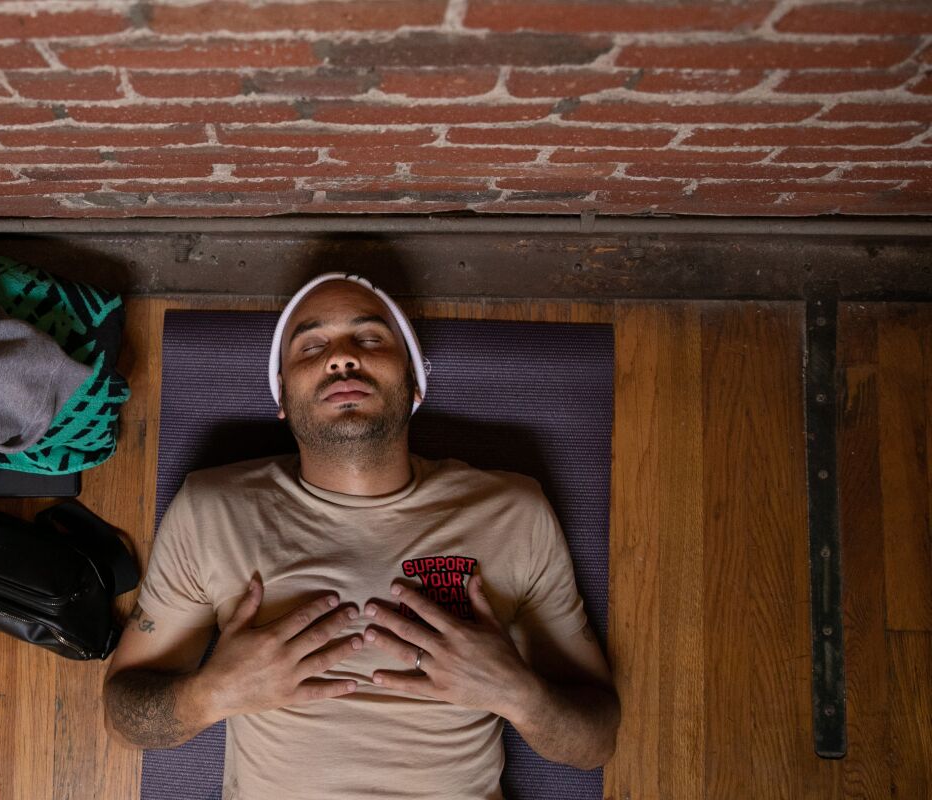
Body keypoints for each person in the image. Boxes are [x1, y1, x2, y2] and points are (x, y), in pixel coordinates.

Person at [104, 273, 620, 799]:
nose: (342, 358)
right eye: (312, 345)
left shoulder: (514, 513)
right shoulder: (210, 509)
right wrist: (212, 694)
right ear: (282, 395)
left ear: (414, 382)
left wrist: (518, 695)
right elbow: (124, 717)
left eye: (370, 339)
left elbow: (596, 741)